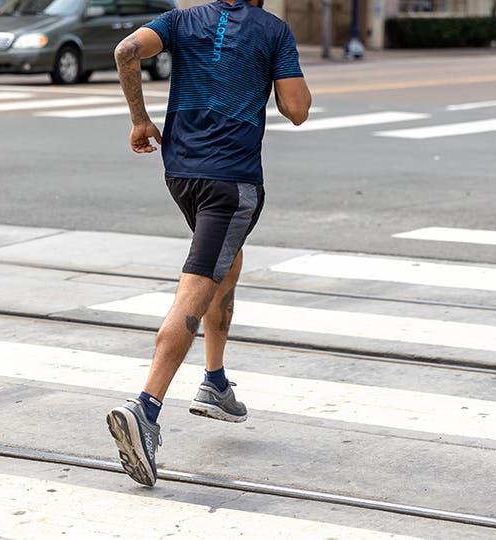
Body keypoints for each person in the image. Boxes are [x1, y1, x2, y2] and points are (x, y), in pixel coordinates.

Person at [105, 0, 311, 487]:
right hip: (230, 182)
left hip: (181, 172)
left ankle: (215, 382)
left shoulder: (181, 20)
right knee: (197, 287)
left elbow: (127, 50)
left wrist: (140, 119)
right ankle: (147, 407)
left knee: (227, 263)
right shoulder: (273, 31)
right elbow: (296, 110)